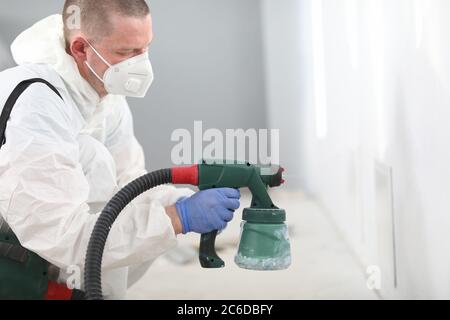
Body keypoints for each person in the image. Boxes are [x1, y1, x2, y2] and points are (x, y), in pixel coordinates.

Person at [0, 0, 240, 299]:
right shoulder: (35, 104)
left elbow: (130, 185)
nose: (140, 64)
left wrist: (182, 201)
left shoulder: (104, 93)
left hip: (47, 242)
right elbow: (61, 235)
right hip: (17, 254)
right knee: (94, 158)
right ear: (80, 49)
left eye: (145, 48)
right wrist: (177, 218)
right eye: (126, 53)